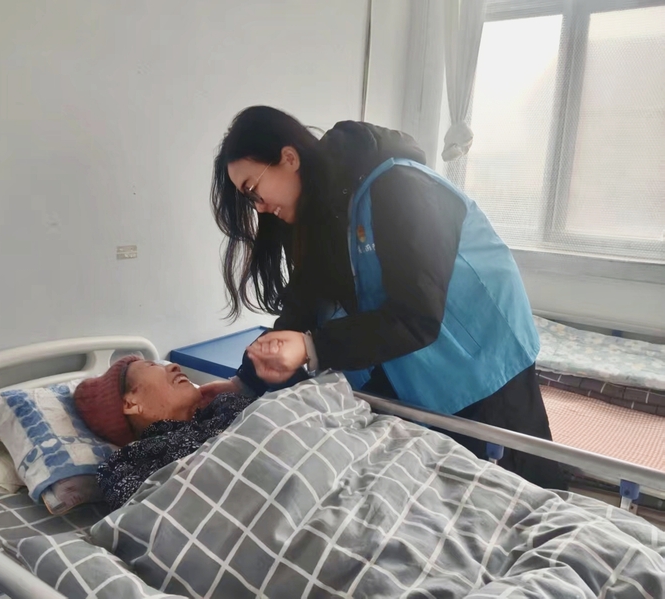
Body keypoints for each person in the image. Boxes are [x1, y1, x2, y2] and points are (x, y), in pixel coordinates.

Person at [205, 105, 565, 490]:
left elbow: (417, 314)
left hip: (485, 367)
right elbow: (301, 307)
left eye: (253, 190)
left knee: (524, 492)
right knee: (455, 497)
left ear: (289, 159)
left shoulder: (400, 186)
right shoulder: (324, 217)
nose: (259, 207)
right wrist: (245, 381)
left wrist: (312, 347)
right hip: (419, 377)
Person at [74, 356, 258, 509]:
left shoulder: (224, 405)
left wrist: (243, 386)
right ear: (131, 403)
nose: (174, 366)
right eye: (152, 366)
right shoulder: (125, 465)